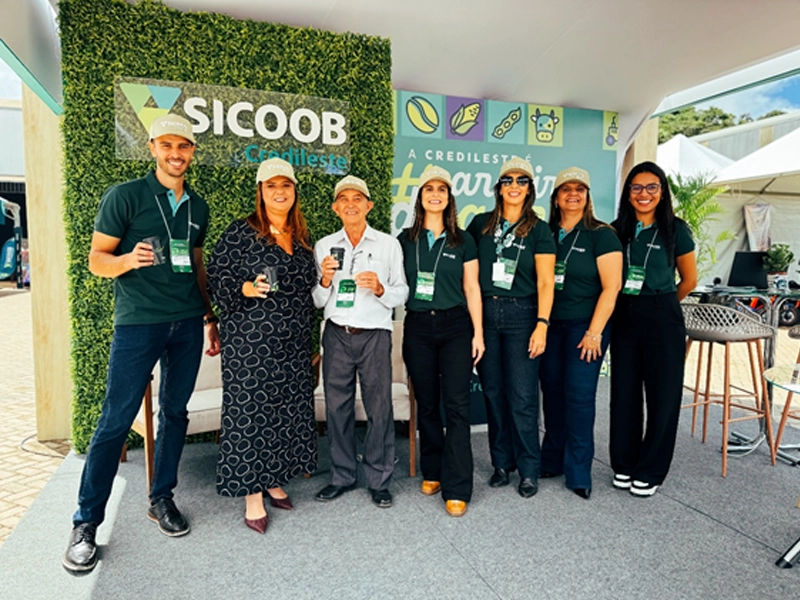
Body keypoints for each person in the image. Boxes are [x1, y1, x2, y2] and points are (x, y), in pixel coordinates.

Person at [63, 114, 220, 574]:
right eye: (166, 145)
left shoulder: (198, 206)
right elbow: (96, 260)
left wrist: (209, 315)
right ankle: (86, 523)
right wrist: (128, 259)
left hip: (187, 324)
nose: (176, 154)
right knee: (115, 419)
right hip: (138, 324)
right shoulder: (125, 196)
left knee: (174, 414)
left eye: (183, 146)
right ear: (152, 148)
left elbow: (196, 265)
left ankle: (161, 499)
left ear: (192, 152)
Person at [206, 158, 317, 534]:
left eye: (286, 185)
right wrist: (245, 288)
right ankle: (252, 492)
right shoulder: (241, 232)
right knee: (250, 412)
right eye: (272, 185)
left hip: (294, 342)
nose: (279, 191)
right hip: (251, 341)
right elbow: (216, 276)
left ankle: (272, 478)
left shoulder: (301, 236)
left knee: (284, 410)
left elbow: (308, 285)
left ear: (294, 190)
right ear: (261, 191)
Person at [312, 175, 408, 508]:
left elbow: (402, 291)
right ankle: (342, 476)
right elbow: (317, 300)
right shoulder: (324, 246)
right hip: (337, 333)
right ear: (335, 208)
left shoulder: (388, 244)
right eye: (344, 199)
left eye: (357, 199)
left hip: (375, 335)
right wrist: (325, 280)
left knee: (379, 407)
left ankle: (379, 480)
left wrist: (381, 289)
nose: (350, 204)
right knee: (336, 406)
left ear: (369, 205)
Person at [397, 165, 484, 518]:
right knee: (428, 404)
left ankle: (458, 485)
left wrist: (478, 333)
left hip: (455, 327)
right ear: (420, 196)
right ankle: (432, 470)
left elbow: (472, 288)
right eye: (429, 189)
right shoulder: (404, 239)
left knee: (458, 407)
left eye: (442, 189)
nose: (435, 194)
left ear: (449, 198)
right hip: (417, 326)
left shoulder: (463, 240)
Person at [466, 156, 555, 498]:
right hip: (486, 314)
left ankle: (529, 469)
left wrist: (542, 324)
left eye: (521, 180)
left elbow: (545, 282)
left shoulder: (539, 229)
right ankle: (501, 464)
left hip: (523, 315)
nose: (514, 186)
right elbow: (467, 272)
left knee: (523, 396)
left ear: (530, 189)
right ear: (499, 188)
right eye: (508, 180)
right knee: (493, 393)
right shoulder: (480, 224)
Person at [609, 161, 697, 497]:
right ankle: (624, 464)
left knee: (663, 395)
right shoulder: (617, 230)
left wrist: (661, 303)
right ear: (628, 193)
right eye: (636, 187)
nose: (643, 194)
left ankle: (651, 470)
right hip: (624, 314)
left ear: (662, 192)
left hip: (662, 314)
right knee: (625, 393)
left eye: (651, 187)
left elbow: (689, 280)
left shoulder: (676, 229)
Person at [539, 167, 622, 500]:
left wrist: (594, 332)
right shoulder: (545, 233)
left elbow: (612, 287)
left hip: (585, 327)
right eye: (566, 189)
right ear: (556, 198)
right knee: (552, 394)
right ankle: (551, 460)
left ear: (587, 196)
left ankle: (578, 472)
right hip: (549, 326)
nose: (573, 194)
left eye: (580, 189)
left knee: (580, 398)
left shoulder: (602, 235)